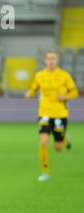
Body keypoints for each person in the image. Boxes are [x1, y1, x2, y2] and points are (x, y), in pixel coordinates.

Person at [25, 50, 79, 182]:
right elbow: (34, 88)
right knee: (43, 142)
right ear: (45, 60)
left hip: (60, 114)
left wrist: (65, 96)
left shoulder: (64, 75)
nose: (51, 61)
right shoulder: (39, 76)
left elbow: (75, 92)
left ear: (57, 60)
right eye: (49, 59)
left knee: (58, 148)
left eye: (53, 58)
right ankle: (45, 171)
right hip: (44, 113)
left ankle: (64, 139)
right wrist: (30, 94)